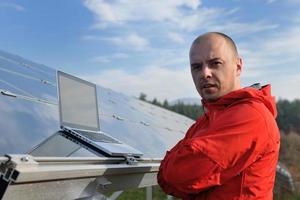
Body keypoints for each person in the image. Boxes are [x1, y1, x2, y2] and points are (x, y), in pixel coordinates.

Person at [157, 32, 280, 200]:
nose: (205, 73)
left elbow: (175, 175)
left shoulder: (251, 116)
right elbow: (174, 179)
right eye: (196, 66)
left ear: (238, 67)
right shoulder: (207, 119)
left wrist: (171, 167)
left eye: (215, 63)